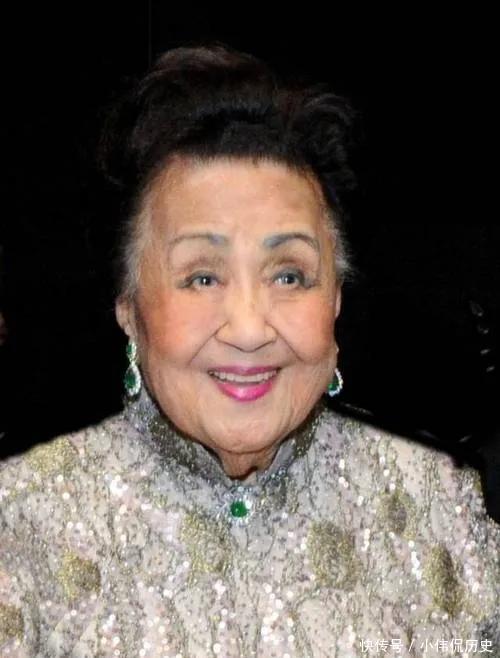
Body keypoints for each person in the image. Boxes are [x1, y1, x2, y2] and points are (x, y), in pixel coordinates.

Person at [1, 43, 499, 658]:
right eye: (201, 277)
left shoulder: (438, 505)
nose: (248, 329)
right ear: (129, 309)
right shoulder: (20, 525)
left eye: (289, 275)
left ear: (335, 299)